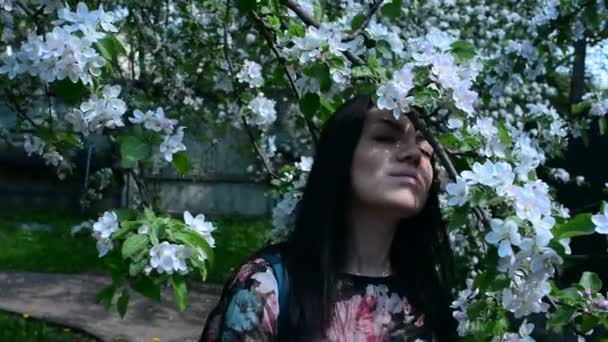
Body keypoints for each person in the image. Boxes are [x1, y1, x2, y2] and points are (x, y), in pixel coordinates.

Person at [199, 95, 458, 341]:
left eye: (426, 149)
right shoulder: (266, 287)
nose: (413, 154)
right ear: (339, 157)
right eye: (385, 137)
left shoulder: (430, 297)